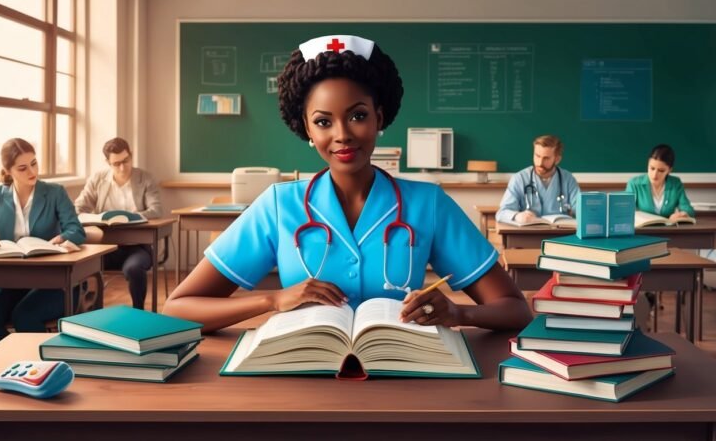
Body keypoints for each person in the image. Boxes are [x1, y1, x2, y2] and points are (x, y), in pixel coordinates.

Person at [163, 35, 531, 333]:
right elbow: (179, 308)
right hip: (304, 378)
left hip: (406, 378)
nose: (342, 135)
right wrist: (273, 300)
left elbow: (515, 309)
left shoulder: (427, 203)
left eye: (357, 116)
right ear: (306, 128)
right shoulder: (279, 206)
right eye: (323, 122)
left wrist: (458, 314)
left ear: (379, 117)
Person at [0, 138, 86, 348]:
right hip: (11, 282)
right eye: (23, 168)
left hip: (53, 283)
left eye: (34, 163)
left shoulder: (55, 192)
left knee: (24, 316)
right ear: (8, 171)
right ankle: (16, 365)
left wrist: (62, 237)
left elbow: (77, 230)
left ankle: (41, 371)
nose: (32, 171)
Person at [74, 137, 162, 309]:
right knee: (79, 265)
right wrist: (94, 220)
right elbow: (78, 209)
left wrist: (132, 217)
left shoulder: (145, 178)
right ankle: (88, 311)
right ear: (108, 162)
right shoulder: (97, 179)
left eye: (126, 161)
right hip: (103, 247)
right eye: (116, 163)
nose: (122, 167)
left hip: (136, 247)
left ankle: (139, 312)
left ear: (131, 155)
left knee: (134, 269)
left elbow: (156, 210)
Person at [496, 135, 580, 224]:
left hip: (559, 234)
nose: (540, 163)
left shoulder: (568, 179)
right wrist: (517, 216)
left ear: (557, 159)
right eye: (537, 156)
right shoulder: (519, 178)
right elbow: (502, 213)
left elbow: (580, 210)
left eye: (546, 158)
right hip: (527, 234)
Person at [625, 144, 695, 220]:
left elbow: (688, 209)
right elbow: (625, 210)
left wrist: (683, 214)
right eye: (652, 168)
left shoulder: (675, 183)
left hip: (668, 229)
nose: (654, 175)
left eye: (661, 171)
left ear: (669, 170)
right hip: (644, 229)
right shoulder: (634, 184)